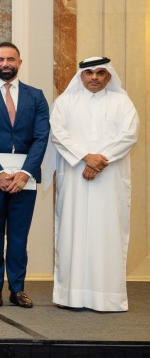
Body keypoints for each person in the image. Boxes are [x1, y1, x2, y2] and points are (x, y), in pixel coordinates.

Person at [50, 57, 139, 312]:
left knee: (107, 233)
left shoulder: (122, 102)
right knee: (72, 233)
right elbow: (57, 133)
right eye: (89, 73)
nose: (94, 78)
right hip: (75, 176)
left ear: (108, 76)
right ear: (80, 76)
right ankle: (71, 296)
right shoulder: (65, 102)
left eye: (101, 73)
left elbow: (129, 135)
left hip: (109, 180)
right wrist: (85, 157)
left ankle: (107, 297)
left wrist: (99, 160)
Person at [0, 42, 51, 308]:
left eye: (10, 59)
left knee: (18, 235)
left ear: (19, 62)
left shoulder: (36, 96)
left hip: (25, 178)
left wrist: (26, 173)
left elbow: (41, 137)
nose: (5, 63)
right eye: (0, 59)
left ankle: (17, 288)